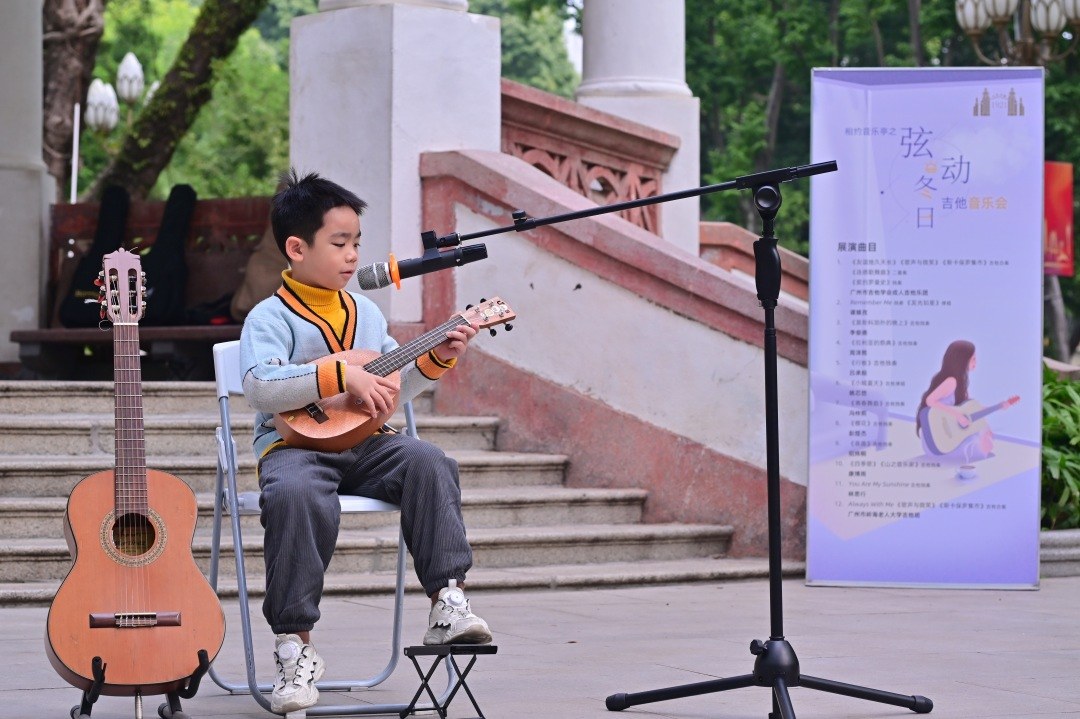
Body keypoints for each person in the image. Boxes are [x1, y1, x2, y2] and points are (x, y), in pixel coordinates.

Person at [239, 169, 491, 714]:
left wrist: (438, 358)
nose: (353, 255)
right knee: (294, 495)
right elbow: (260, 386)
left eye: (357, 242)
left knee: (430, 462)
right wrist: (338, 374)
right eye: (339, 243)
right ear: (297, 248)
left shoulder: (367, 314)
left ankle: (447, 601)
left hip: (368, 443)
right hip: (294, 449)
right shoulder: (270, 317)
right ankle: (294, 649)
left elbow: (392, 387)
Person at [915, 339, 993, 460]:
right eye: (973, 359)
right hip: (936, 438)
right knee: (982, 447)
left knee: (982, 436)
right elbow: (930, 400)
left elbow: (969, 407)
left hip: (946, 438)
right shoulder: (951, 381)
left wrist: (991, 408)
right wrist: (957, 415)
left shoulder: (961, 383)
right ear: (962, 360)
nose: (976, 362)